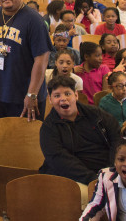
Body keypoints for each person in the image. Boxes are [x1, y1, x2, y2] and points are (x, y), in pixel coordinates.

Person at [39, 73, 121, 204]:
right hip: (76, 178)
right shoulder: (48, 129)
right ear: (50, 100)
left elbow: (116, 139)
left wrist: (113, 169)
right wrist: (94, 179)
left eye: (67, 94)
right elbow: (60, 161)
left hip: (108, 170)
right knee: (93, 198)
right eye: (57, 96)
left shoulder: (96, 115)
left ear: (76, 95)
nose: (63, 99)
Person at [0, 0, 49, 119]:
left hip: (24, 96)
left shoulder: (35, 20)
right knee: (0, 138)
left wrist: (32, 94)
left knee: (25, 140)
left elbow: (42, 60)